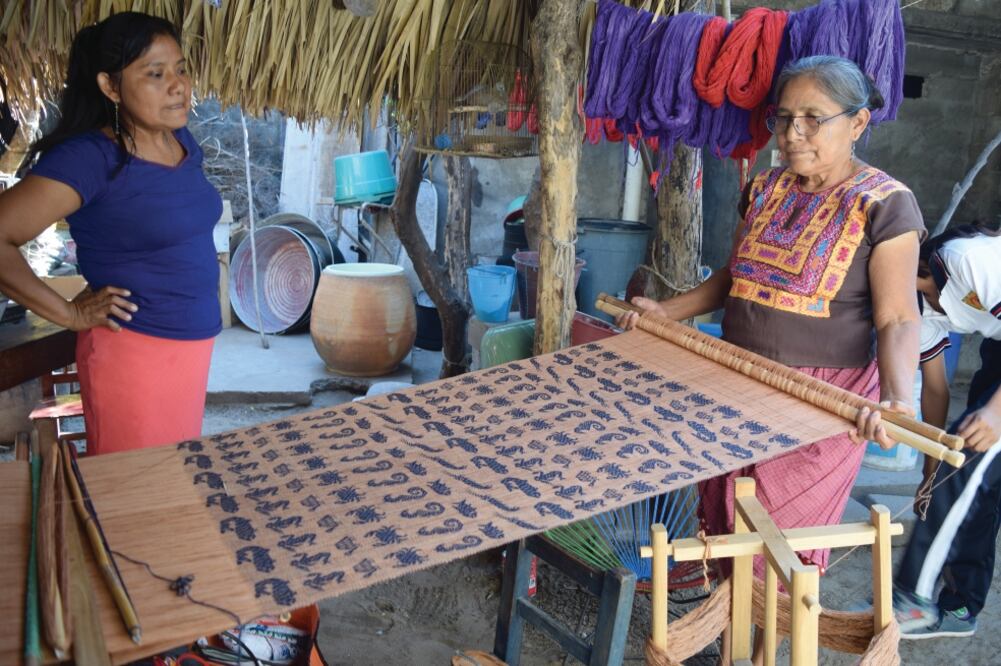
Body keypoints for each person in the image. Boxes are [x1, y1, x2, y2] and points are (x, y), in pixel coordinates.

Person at [617, 55, 924, 661]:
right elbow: (737, 276)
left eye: (814, 119)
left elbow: (896, 317)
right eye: (784, 119)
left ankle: (762, 655)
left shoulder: (885, 204)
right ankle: (731, 650)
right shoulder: (765, 186)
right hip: (735, 382)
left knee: (778, 544)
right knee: (729, 528)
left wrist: (897, 398)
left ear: (858, 123)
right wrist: (669, 312)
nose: (793, 134)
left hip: (820, 402)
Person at [0, 12, 222, 454]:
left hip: (191, 349)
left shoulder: (181, 143)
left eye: (180, 69)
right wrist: (67, 314)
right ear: (110, 86)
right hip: (134, 355)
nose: (178, 85)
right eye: (155, 74)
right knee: (131, 498)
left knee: (168, 483)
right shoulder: (91, 159)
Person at [893, 224, 1001, 639]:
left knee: (970, 454)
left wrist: (994, 414)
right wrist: (930, 470)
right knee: (971, 478)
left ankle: (911, 601)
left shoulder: (963, 261)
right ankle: (960, 605)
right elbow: (935, 391)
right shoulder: (913, 310)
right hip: (997, 350)